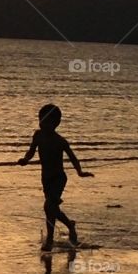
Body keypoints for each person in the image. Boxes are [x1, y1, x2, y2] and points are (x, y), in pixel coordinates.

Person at [17, 103, 92, 249]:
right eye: (41, 120)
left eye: (46, 121)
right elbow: (31, 151)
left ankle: (50, 240)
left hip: (58, 178)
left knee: (48, 206)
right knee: (53, 210)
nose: (43, 124)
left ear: (56, 123)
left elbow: (72, 157)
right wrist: (25, 160)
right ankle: (70, 225)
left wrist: (80, 171)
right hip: (46, 178)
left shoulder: (60, 141)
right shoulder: (37, 135)